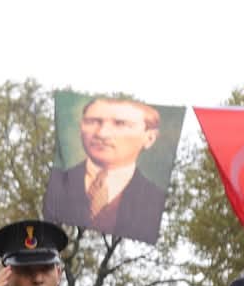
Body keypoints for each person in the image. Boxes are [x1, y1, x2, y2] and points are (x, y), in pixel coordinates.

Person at [43, 97, 167, 244]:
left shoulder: (155, 202)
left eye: (120, 124)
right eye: (93, 122)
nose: (102, 133)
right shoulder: (53, 184)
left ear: (149, 138)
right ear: (80, 127)